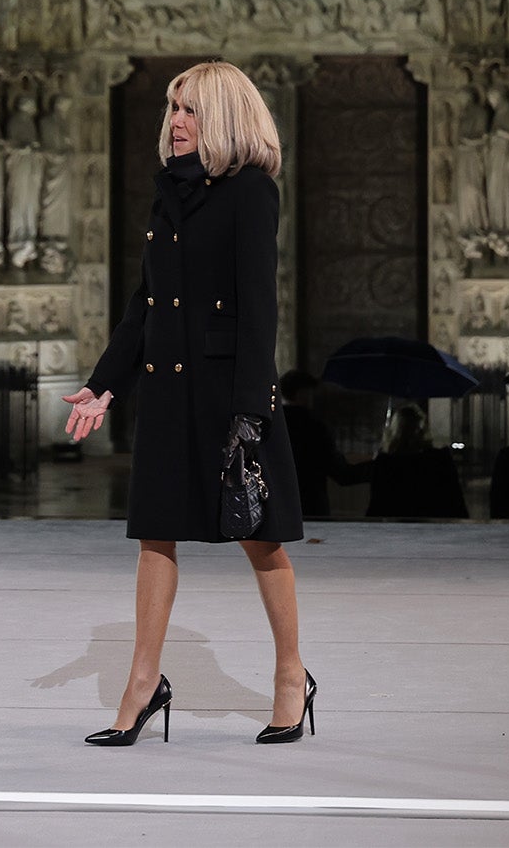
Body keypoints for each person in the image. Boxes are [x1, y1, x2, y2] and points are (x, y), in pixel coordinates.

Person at [62, 60, 314, 746]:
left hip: (230, 392)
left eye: (191, 110)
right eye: (173, 109)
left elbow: (261, 307)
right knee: (155, 535)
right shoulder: (169, 192)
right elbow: (147, 302)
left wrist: (251, 410)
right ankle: (143, 681)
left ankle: (290, 676)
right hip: (169, 390)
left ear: (225, 118)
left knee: (261, 539)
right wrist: (104, 383)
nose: (175, 122)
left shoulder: (252, 192)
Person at [278, 369, 369, 517]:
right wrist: (379, 468)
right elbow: (341, 474)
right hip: (310, 508)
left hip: (278, 509)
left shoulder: (270, 427)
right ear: (303, 393)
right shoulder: (313, 428)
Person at [365, 405, 469, 519]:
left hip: (397, 526)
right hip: (434, 523)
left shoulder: (385, 463)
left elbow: (378, 503)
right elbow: (455, 499)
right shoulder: (439, 459)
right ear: (422, 429)